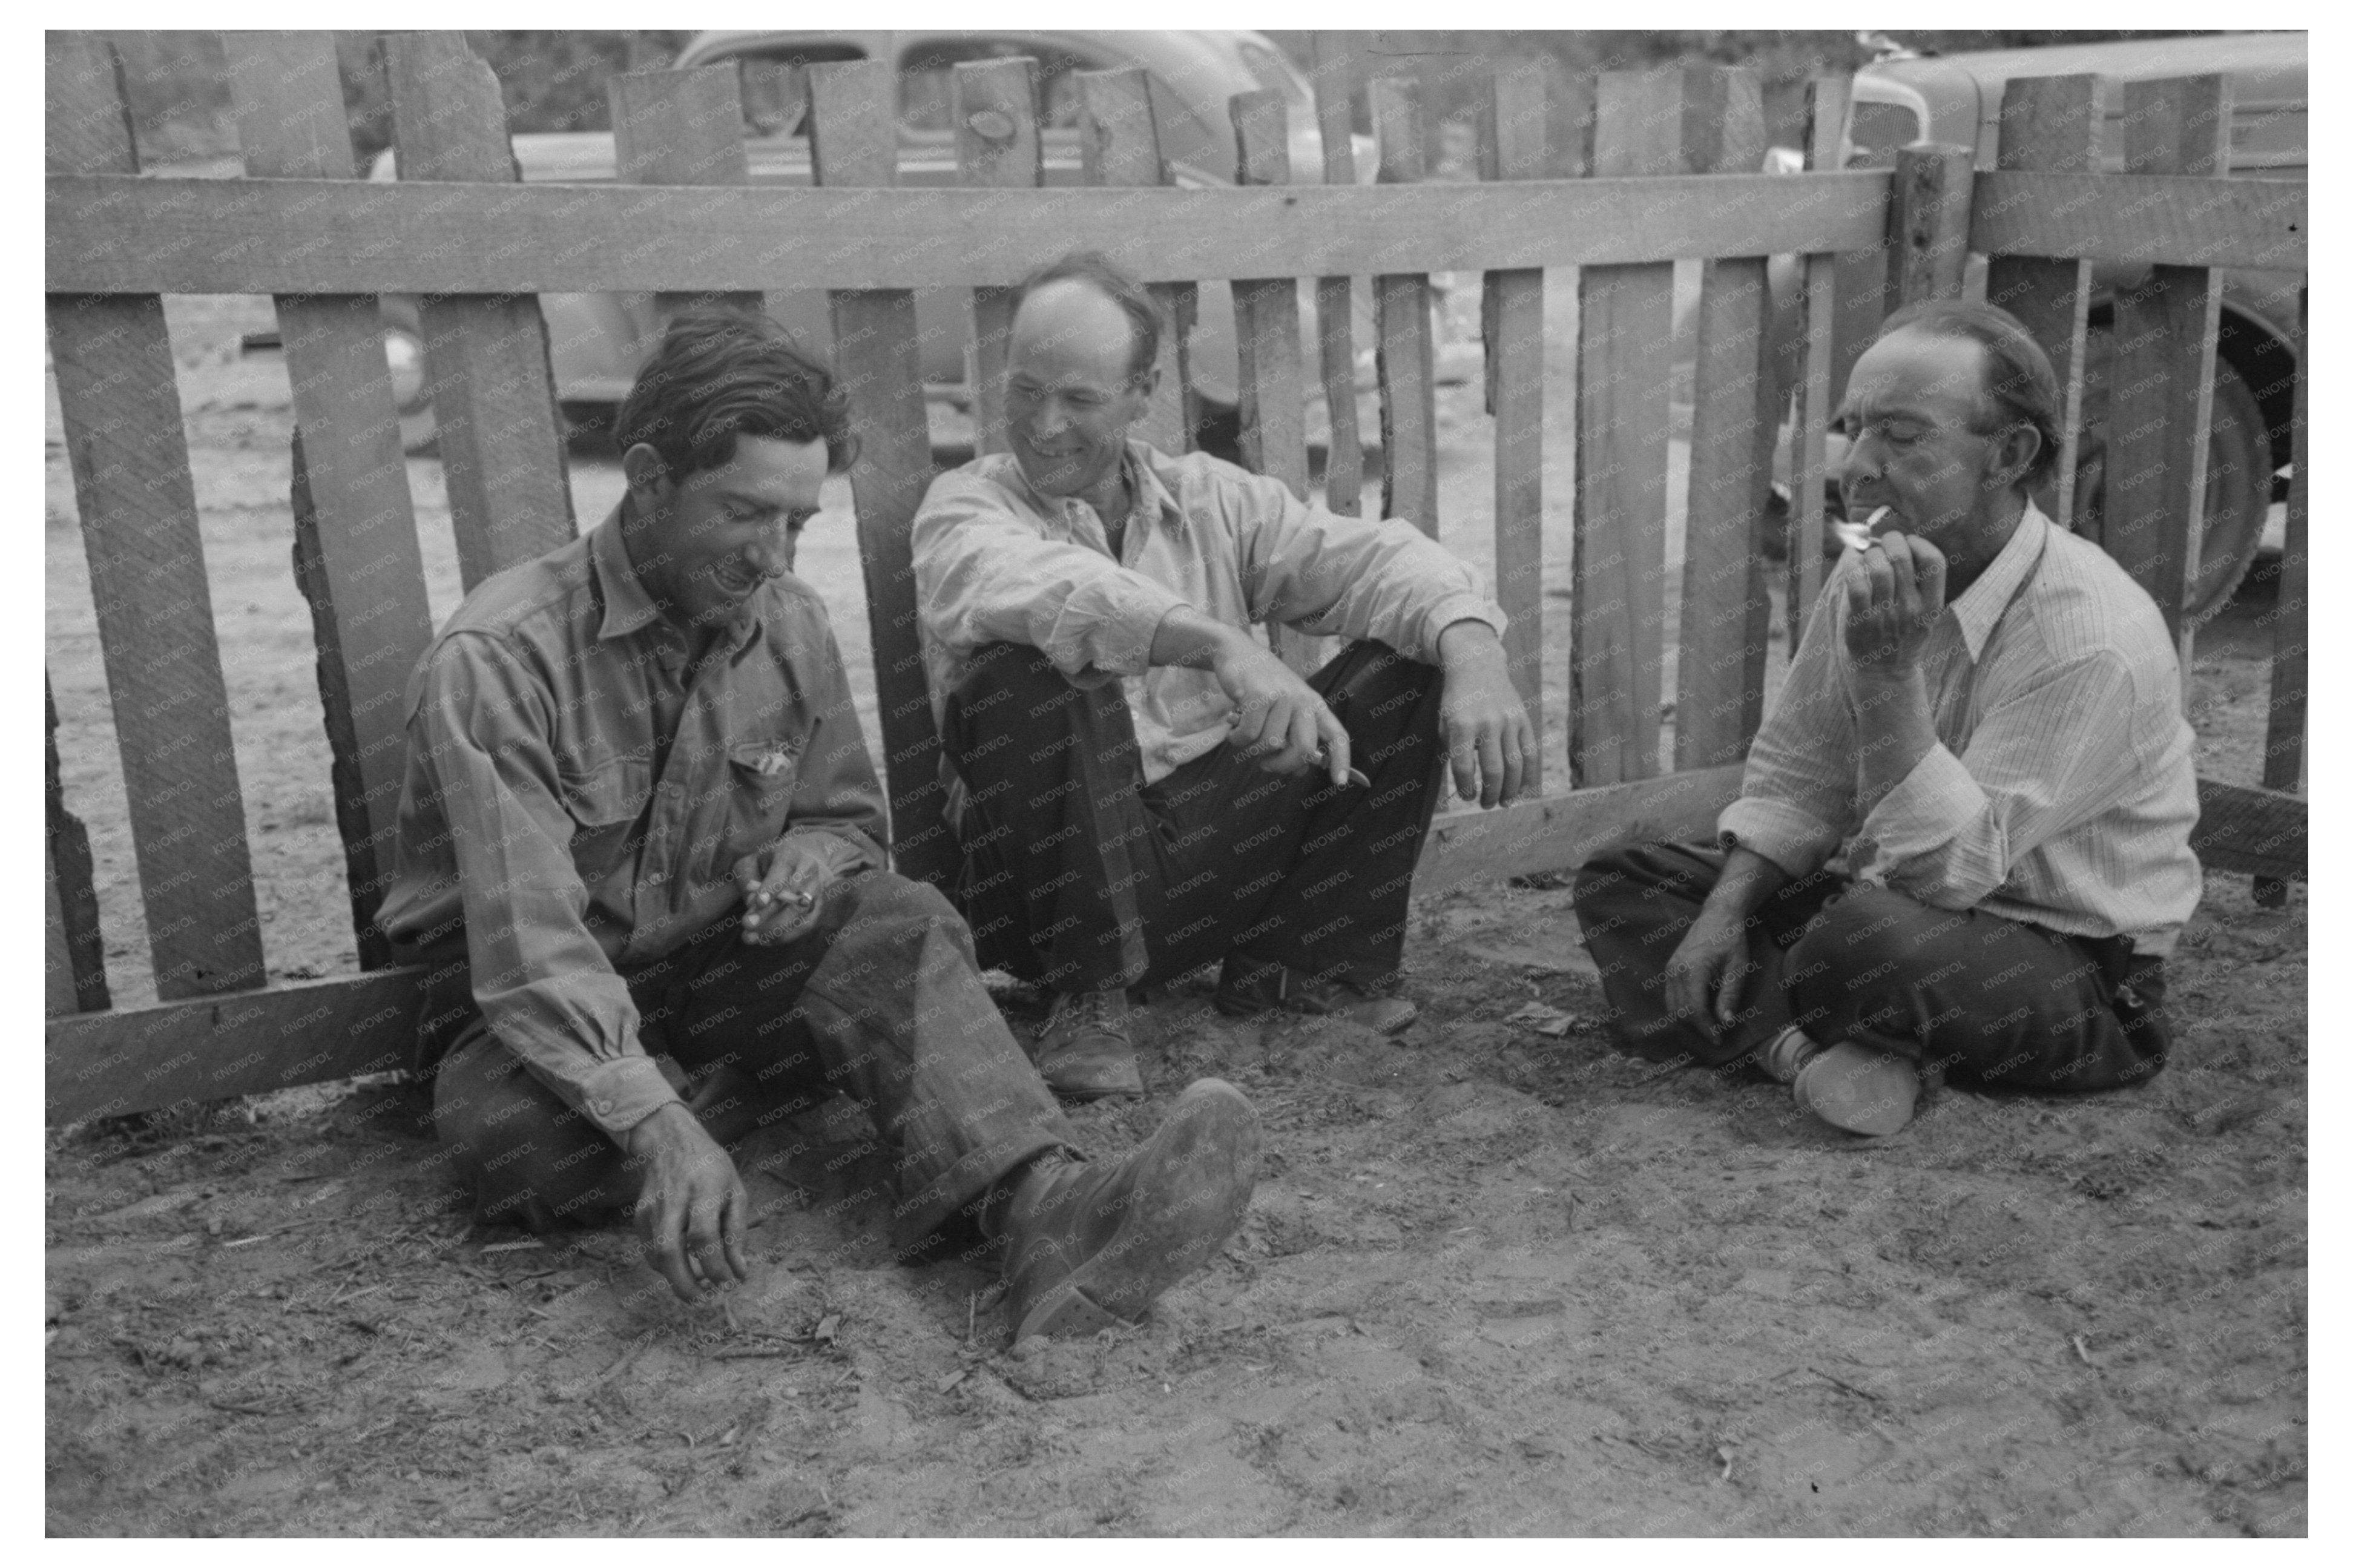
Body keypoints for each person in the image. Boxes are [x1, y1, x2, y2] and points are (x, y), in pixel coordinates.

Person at [375, 310, 1259, 1342]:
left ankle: (1047, 1211)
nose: (774, 555)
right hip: (527, 1010)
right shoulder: (500, 657)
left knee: (898, 920)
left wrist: (810, 852)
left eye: (797, 522)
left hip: (714, 968)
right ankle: (731, 1105)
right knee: (508, 1140)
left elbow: (850, 822)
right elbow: (530, 952)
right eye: (747, 513)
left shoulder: (789, 621)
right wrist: (654, 1121)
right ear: (651, 478)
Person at [911, 252, 1536, 1099]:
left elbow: (1373, 560)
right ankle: (1084, 1002)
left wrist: (1476, 654)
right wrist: (1217, 644)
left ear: (1143, 393)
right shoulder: (968, 506)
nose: (1045, 424)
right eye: (1025, 390)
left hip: (1201, 858)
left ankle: (1303, 967)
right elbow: (1041, 590)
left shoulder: (1209, 499)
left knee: (1411, 661)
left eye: (1080, 399)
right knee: (1029, 672)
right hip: (1048, 895)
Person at [1574, 299, 2200, 1136]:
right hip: (1883, 895)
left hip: (2067, 962)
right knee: (1626, 881)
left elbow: (1956, 870)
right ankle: (1808, 1058)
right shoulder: (1882, 558)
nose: (1858, 466)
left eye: (1902, 438)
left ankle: (1790, 1025)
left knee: (1860, 941)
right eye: (1854, 428)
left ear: (2008, 456)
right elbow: (1802, 773)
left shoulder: (2091, 638)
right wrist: (1724, 913)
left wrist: (1888, 673)